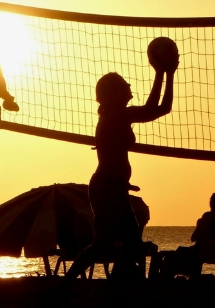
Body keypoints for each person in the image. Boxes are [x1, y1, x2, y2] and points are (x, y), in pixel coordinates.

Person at [65, 60, 176, 282]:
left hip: (111, 186)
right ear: (114, 92)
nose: (130, 87)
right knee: (121, 244)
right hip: (108, 187)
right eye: (125, 84)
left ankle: (74, 284)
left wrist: (168, 73)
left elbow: (161, 109)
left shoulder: (115, 116)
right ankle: (85, 283)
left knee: (110, 243)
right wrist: (163, 71)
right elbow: (153, 108)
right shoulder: (117, 115)